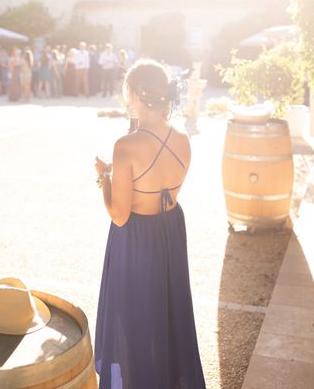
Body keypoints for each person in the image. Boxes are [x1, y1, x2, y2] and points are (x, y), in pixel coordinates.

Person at [93, 60, 205, 389]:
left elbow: (119, 214)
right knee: (168, 314)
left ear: (136, 95)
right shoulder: (183, 137)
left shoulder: (126, 145)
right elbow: (159, 180)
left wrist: (104, 177)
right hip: (170, 229)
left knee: (135, 318)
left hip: (137, 238)